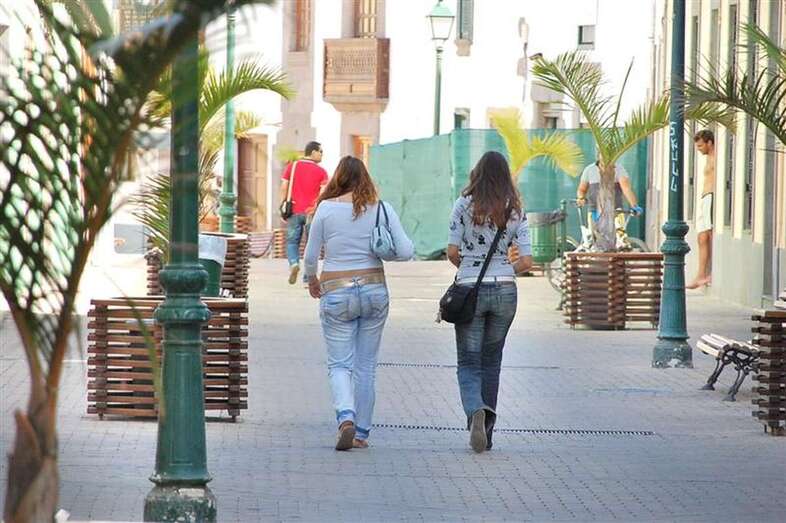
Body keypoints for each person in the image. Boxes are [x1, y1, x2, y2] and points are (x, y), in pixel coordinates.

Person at [304, 156, 414, 451]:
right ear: (366, 179)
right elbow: (406, 251)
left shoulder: (325, 210)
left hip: (336, 290)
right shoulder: (383, 209)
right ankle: (362, 433)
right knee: (366, 365)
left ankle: (346, 418)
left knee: (340, 364)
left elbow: (311, 257)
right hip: (374, 289)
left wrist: (311, 281)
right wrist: (382, 252)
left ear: (337, 179)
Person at [447, 151, 533, 453]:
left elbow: (452, 251)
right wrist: (506, 270)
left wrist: (468, 269)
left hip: (471, 287)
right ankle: (488, 428)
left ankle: (475, 411)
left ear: (478, 174)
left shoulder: (463, 205)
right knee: (492, 362)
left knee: (468, 361)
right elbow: (527, 260)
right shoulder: (516, 210)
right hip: (506, 291)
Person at [279, 141, 328, 285]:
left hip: (293, 211)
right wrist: (316, 206)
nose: (322, 154)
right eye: (320, 151)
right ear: (313, 152)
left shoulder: (292, 167)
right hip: (311, 213)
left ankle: (294, 263)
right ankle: (308, 277)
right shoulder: (321, 171)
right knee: (311, 244)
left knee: (292, 241)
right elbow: (323, 191)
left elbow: (284, 186)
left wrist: (282, 205)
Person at [576, 161, 642, 238]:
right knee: (595, 238)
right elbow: (582, 189)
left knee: (620, 237)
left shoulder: (618, 169)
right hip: (595, 210)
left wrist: (634, 206)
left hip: (616, 210)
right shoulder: (589, 170)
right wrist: (581, 198)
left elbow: (626, 188)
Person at [687, 129, 715, 289]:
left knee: (710, 235)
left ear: (709, 143)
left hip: (711, 197)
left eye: (700, 146)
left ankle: (710, 273)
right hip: (705, 198)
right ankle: (701, 274)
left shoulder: (717, 158)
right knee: (701, 237)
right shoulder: (708, 158)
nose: (698, 149)